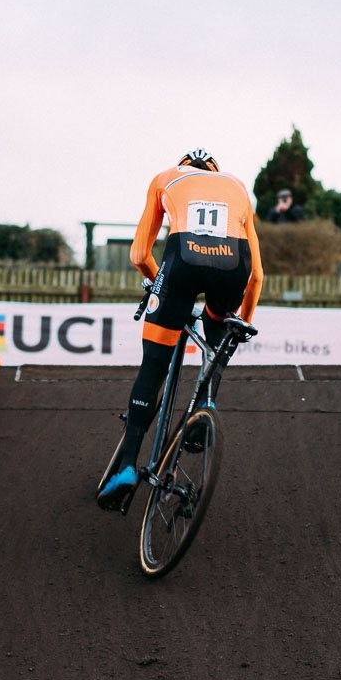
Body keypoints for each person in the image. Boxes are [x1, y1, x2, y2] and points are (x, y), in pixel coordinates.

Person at [96, 149, 264, 510]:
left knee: (153, 366)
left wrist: (160, 286)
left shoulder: (165, 177)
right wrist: (243, 321)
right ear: (217, 171)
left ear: (184, 166)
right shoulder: (238, 186)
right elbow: (257, 276)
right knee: (218, 330)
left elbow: (140, 255)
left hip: (181, 262)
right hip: (232, 267)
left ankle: (126, 467)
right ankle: (205, 403)